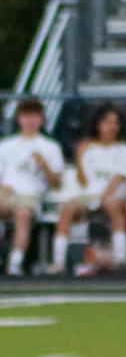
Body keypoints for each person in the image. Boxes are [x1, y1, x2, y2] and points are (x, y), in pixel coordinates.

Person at [55, 105, 126, 275]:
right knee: (67, 209)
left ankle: (120, 259)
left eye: (115, 123)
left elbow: (118, 179)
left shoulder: (125, 150)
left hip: (113, 196)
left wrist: (102, 199)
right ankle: (58, 261)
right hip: (89, 196)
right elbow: (83, 182)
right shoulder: (88, 150)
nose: (111, 127)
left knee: (113, 206)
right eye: (107, 122)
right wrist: (78, 155)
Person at [3, 98, 66, 277]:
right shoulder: (6, 146)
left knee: (22, 214)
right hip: (6, 192)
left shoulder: (50, 147)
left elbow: (56, 183)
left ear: (42, 119)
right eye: (25, 116)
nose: (30, 121)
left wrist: (44, 166)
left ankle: (15, 262)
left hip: (30, 195)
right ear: (19, 118)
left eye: (34, 116)